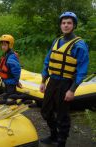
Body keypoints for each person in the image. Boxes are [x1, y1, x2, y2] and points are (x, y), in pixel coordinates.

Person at [40, 12, 89, 147]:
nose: (66, 25)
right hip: (53, 81)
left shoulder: (79, 45)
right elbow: (47, 61)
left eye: (69, 23)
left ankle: (61, 142)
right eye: (63, 23)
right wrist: (43, 81)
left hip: (66, 83)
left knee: (62, 114)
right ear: (60, 25)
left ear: (74, 25)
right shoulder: (57, 41)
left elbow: (81, 71)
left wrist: (72, 90)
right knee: (45, 110)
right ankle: (54, 135)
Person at [0, 34, 21, 99]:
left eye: (5, 45)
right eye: (2, 45)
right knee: (6, 97)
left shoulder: (12, 56)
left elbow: (16, 71)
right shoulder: (6, 54)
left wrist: (17, 81)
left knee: (10, 98)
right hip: (6, 81)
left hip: (11, 82)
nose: (3, 47)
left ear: (10, 45)